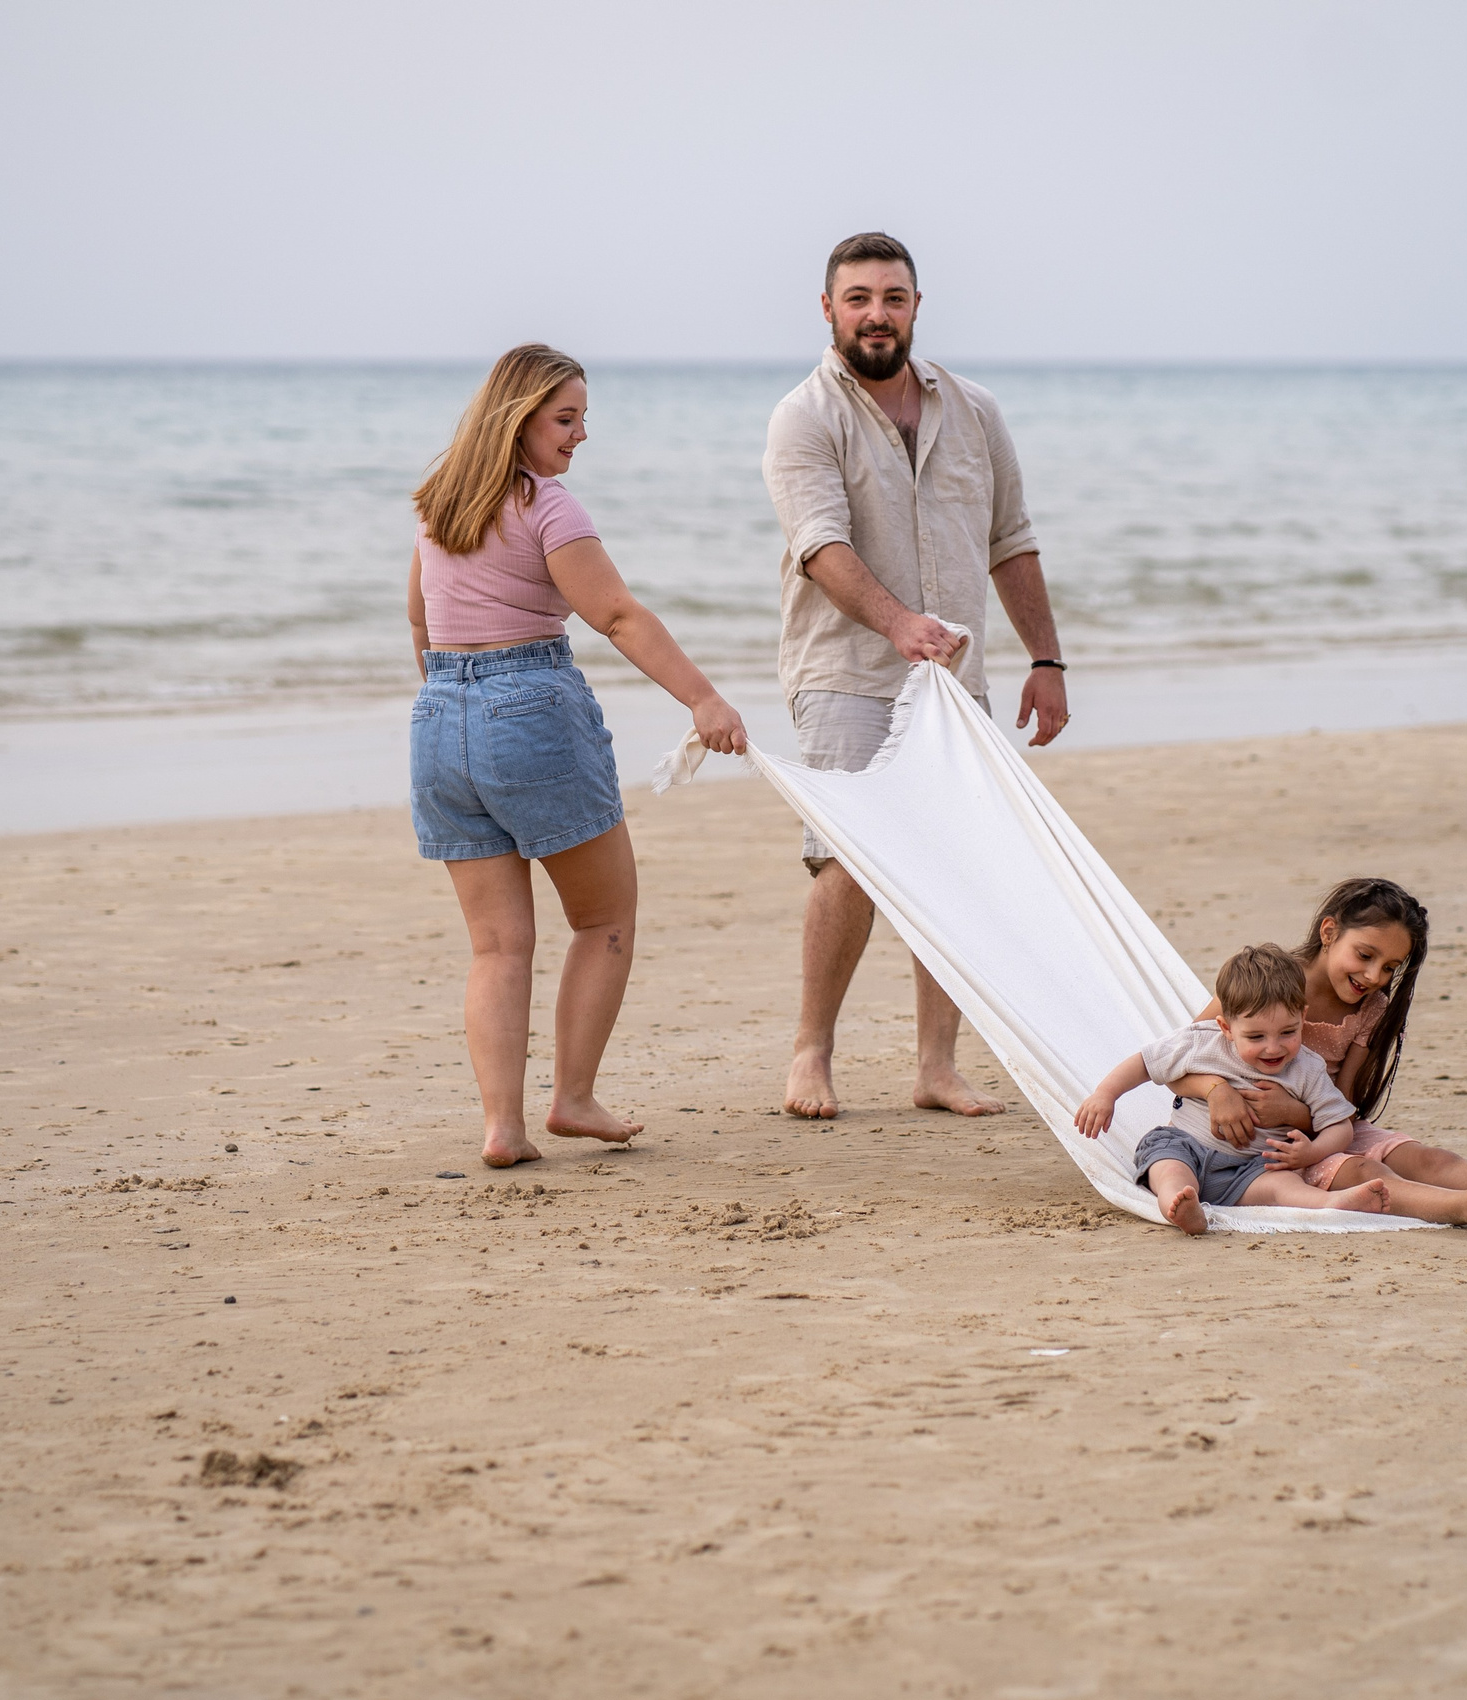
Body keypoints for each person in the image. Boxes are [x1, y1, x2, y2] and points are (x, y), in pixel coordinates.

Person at [407, 344, 748, 1169]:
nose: (581, 434)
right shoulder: (548, 508)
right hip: (529, 706)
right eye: (566, 418)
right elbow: (618, 616)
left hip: (437, 717)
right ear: (517, 418)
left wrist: (457, 704)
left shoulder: (436, 507)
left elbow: (420, 623)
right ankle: (573, 1097)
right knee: (603, 918)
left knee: (496, 945)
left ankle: (502, 1127)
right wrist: (703, 699)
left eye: (583, 418)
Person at [762, 231, 1072, 1121]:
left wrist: (1045, 659)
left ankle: (936, 1066)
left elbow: (1010, 539)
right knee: (849, 861)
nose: (875, 314)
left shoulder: (972, 410)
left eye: (892, 297)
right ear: (828, 310)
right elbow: (820, 547)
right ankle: (811, 1052)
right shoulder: (804, 416)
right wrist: (901, 625)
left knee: (956, 868)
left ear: (916, 307)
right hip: (844, 670)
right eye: (857, 298)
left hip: (954, 677)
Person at [1187, 878, 1467, 1223]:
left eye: (1389, 967)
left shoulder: (1371, 1007)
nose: (1373, 976)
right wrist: (1215, 1091)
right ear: (1328, 932)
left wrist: (1296, 1112)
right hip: (1269, 1147)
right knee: (1371, 1172)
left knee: (1428, 1160)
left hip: (1329, 1127)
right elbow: (1180, 1053)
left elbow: (1346, 1104)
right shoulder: (1263, 985)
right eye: (1365, 955)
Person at [1078, 945, 1467, 1235]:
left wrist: (1311, 1153)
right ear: (1226, 1027)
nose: (1274, 1048)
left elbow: (1340, 1124)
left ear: (1303, 1018)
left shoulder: (1305, 1066)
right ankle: (1181, 1204)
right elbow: (1145, 1062)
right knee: (1167, 1164)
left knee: (1287, 1187)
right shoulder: (1201, 1043)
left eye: (1288, 1031)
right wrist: (1105, 1094)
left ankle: (1338, 1203)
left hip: (1253, 1169)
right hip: (1189, 1144)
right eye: (1256, 1038)